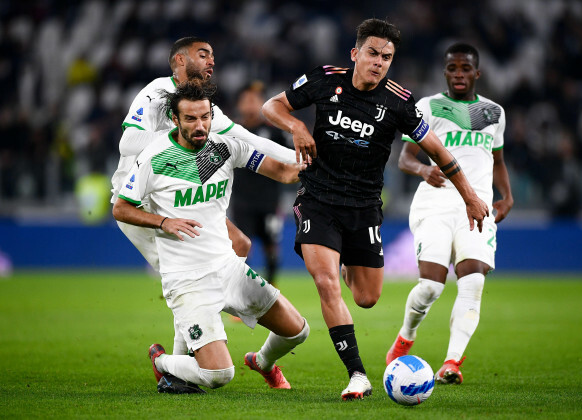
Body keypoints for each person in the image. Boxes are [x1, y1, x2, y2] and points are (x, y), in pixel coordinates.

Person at [262, 19, 489, 400]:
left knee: (367, 298)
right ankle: (358, 375)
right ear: (355, 54)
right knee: (326, 282)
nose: (379, 62)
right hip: (317, 197)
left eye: (387, 57)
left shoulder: (399, 102)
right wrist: (296, 127)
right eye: (372, 53)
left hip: (365, 207)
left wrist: (469, 195)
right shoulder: (325, 79)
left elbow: (437, 150)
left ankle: (349, 261)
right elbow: (273, 106)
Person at [110, 37, 298, 388]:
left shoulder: (205, 111)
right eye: (203, 54)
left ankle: (184, 359)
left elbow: (246, 138)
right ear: (178, 60)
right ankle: (181, 366)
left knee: (238, 243)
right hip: (148, 199)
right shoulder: (156, 93)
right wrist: (177, 143)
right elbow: (127, 144)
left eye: (213, 54)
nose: (212, 60)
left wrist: (299, 154)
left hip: (189, 194)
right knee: (185, 273)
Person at [385, 43, 514, 385]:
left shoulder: (495, 113)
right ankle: (405, 338)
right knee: (430, 287)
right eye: (453, 68)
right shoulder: (427, 107)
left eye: (465, 68)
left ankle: (452, 362)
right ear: (445, 72)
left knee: (473, 283)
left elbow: (497, 160)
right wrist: (422, 171)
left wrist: (507, 197)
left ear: (477, 73)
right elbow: (405, 158)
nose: (459, 74)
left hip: (478, 205)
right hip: (436, 202)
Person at [230, 81, 290, 285]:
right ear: (239, 104)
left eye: (254, 100)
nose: (250, 104)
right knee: (241, 246)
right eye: (246, 100)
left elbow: (290, 160)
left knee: (271, 246)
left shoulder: (275, 133)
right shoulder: (232, 132)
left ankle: (272, 290)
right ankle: (241, 293)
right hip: (241, 200)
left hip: (269, 201)